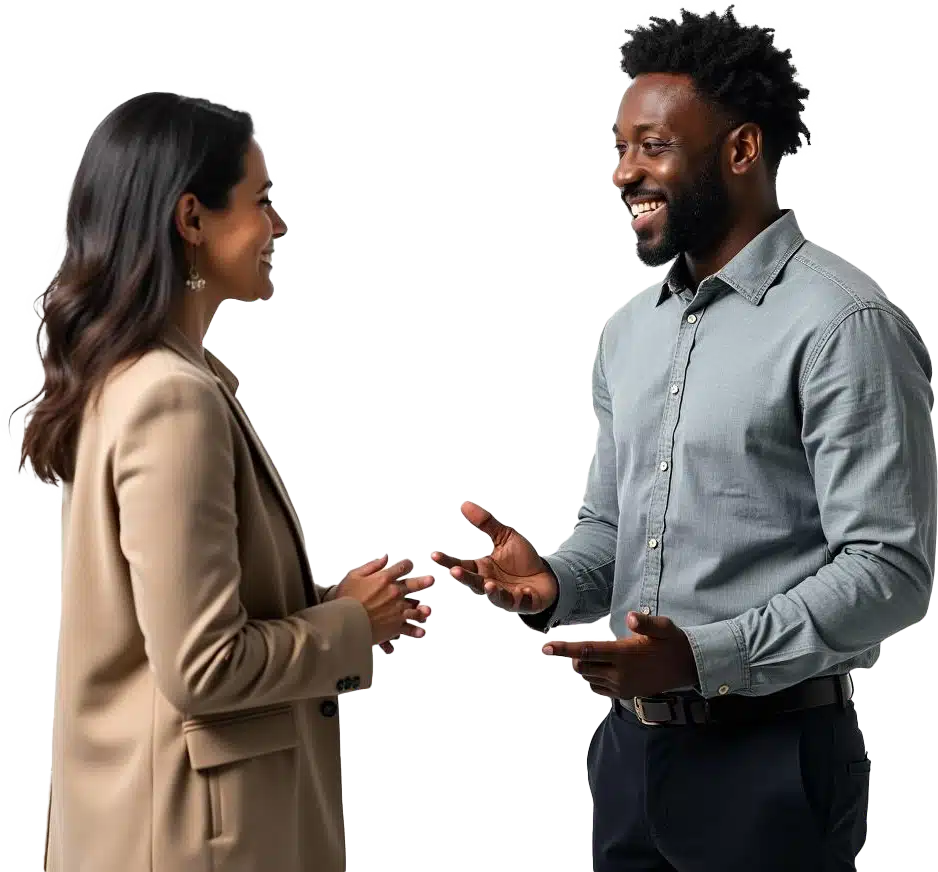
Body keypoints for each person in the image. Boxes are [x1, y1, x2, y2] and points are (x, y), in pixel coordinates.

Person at [432, 6, 936, 871]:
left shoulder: (843, 324)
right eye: (619, 149)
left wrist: (703, 658)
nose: (626, 174)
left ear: (740, 151)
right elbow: (616, 531)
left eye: (652, 147)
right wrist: (551, 581)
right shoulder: (629, 336)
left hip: (773, 762)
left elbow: (888, 571)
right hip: (631, 762)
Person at [16, 90, 434, 872]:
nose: (279, 225)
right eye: (262, 200)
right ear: (192, 219)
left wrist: (320, 602)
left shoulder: (145, 380)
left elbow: (168, 624)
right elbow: (203, 667)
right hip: (193, 840)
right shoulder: (171, 399)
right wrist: (349, 626)